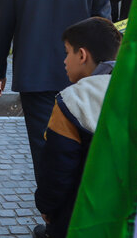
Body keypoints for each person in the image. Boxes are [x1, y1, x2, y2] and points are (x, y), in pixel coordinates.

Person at [0, 0, 111, 207]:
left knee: (45, 150)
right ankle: (76, 216)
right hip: (86, 78)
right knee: (87, 149)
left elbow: (2, 26)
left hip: (36, 78)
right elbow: (105, 33)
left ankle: (53, 216)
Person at [33, 17, 122, 238]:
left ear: (82, 55)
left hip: (79, 218)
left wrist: (47, 207)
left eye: (67, 52)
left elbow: (57, 169)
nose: (64, 61)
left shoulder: (72, 101)